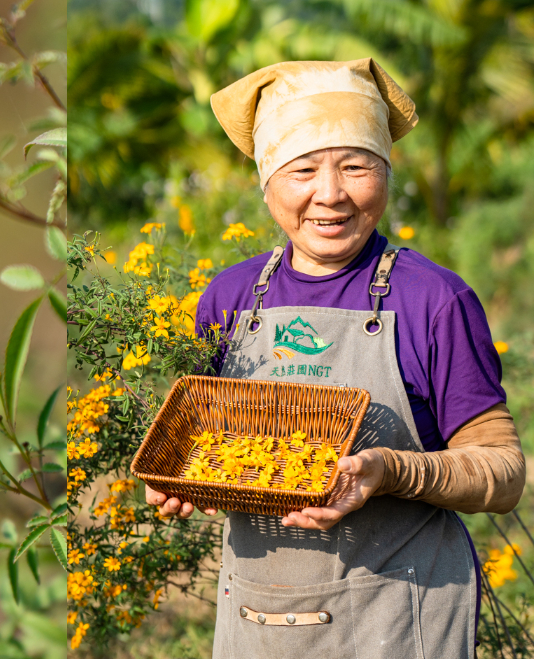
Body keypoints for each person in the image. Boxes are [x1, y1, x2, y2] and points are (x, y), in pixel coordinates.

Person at [144, 59, 526, 659]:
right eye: (302, 170)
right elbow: (221, 455)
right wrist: (186, 479)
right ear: (267, 182)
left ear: (387, 175)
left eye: (356, 166)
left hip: (399, 617)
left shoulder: (433, 300)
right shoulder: (229, 298)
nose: (331, 195)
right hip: (259, 616)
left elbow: (502, 473)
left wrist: (390, 472)